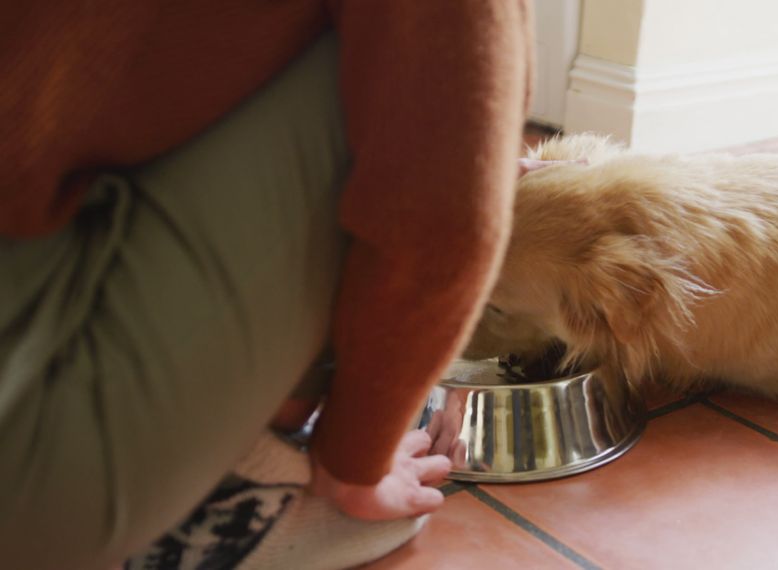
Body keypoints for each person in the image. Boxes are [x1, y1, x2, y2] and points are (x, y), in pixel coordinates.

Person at [0, 1, 533, 568]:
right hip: (34, 475)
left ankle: (270, 405)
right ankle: (241, 496)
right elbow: (448, 215)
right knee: (417, 74)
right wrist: (357, 463)